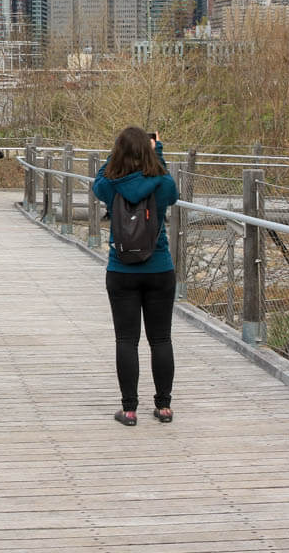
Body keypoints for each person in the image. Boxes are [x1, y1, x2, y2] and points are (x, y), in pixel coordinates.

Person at [92, 126, 178, 427]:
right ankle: (164, 407)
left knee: (126, 340)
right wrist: (159, 153)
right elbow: (172, 192)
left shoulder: (111, 185)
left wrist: (113, 154)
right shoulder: (161, 182)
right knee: (161, 339)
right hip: (159, 268)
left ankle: (129, 410)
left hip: (122, 270)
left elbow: (98, 181)